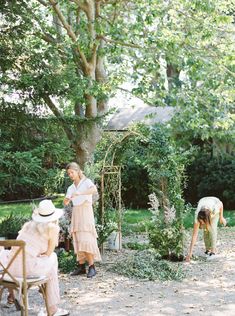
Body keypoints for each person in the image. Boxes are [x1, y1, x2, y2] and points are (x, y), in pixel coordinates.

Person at [0, 199, 69, 316]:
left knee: (12, 256)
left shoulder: (27, 226)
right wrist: (42, 255)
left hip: (9, 271)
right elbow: (48, 253)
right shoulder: (53, 228)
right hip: (27, 272)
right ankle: (52, 309)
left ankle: (13, 295)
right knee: (53, 258)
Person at [64, 162, 101, 278]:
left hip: (86, 211)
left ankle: (91, 267)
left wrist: (80, 192)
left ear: (77, 171)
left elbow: (94, 189)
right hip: (76, 213)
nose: (70, 175)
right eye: (68, 173)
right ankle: (81, 267)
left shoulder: (86, 182)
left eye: (72, 172)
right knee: (78, 238)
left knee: (86, 238)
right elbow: (65, 201)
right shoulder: (71, 187)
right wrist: (67, 200)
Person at [186, 196, 227, 262]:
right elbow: (194, 236)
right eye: (200, 222)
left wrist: (221, 218)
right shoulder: (197, 215)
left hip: (214, 202)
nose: (201, 224)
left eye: (202, 222)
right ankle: (208, 250)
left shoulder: (214, 209)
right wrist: (190, 253)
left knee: (212, 229)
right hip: (204, 202)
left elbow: (221, 203)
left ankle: (213, 252)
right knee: (205, 230)